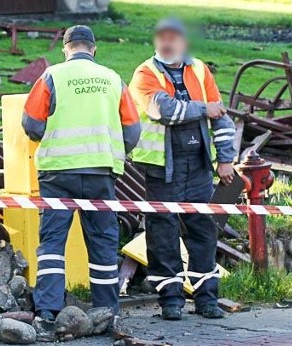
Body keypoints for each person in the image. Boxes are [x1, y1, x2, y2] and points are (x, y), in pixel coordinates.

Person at [22, 25, 141, 323]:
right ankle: (106, 310)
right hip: (101, 174)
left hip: (57, 175)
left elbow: (31, 124)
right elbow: (133, 129)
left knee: (52, 243)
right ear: (93, 48)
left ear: (66, 49)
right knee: (102, 241)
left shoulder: (51, 76)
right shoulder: (113, 79)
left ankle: (48, 309)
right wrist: (112, 151)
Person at [129, 18, 236, 320]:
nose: (167, 44)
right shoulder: (144, 74)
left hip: (199, 163)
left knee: (203, 230)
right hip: (163, 167)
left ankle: (206, 298)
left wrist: (225, 159)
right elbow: (165, 111)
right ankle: (171, 300)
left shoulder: (200, 70)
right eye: (162, 38)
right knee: (163, 231)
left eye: (173, 38)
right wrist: (203, 108)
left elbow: (222, 119)